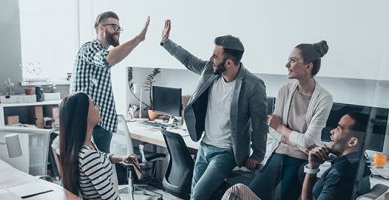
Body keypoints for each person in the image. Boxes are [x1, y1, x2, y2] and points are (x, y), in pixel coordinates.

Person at [159, 19, 268, 200]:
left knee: (198, 195)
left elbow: (259, 124)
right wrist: (166, 42)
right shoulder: (211, 72)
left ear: (229, 63)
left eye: (216, 56)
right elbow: (188, 60)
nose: (211, 58)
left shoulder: (253, 85)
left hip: (226, 152)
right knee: (196, 194)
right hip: (205, 146)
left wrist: (257, 155)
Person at [249, 41, 333, 200]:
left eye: (293, 60)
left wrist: (280, 127)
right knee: (249, 195)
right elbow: (271, 129)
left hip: (301, 160)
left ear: (308, 66)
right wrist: (295, 141)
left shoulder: (324, 98)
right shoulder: (285, 90)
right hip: (279, 153)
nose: (287, 64)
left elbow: (307, 140)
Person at [222, 112, 372, 200]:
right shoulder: (358, 166)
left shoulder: (341, 173)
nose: (331, 131)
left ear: (352, 141)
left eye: (338, 129)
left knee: (236, 190)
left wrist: (312, 168)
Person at [69, 11, 150, 153]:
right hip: (89, 125)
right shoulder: (90, 48)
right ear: (101, 28)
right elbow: (108, 59)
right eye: (114, 27)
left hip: (101, 124)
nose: (118, 31)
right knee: (94, 170)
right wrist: (138, 39)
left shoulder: (100, 50)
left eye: (119, 28)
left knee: (101, 167)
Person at [58, 93, 138, 200]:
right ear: (83, 114)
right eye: (94, 104)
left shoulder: (85, 146)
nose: (98, 108)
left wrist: (120, 158)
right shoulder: (88, 156)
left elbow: (99, 157)